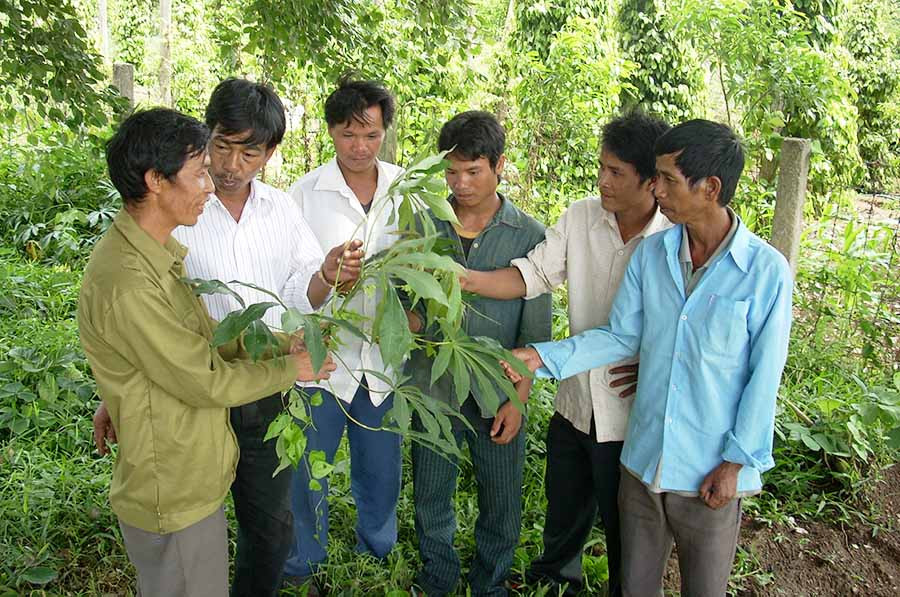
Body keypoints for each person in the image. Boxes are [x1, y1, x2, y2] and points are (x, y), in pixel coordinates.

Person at [93, 78, 364, 597]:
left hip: (257, 389)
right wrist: (121, 392)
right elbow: (147, 336)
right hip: (192, 403)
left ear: (269, 153)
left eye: (249, 152)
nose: (228, 168)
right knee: (194, 531)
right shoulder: (169, 217)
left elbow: (291, 294)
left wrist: (324, 279)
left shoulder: (278, 210)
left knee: (269, 525)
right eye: (218, 149)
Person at [510, 119, 793, 597]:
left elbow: (763, 379)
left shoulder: (765, 273)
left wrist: (735, 464)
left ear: (710, 188)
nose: (656, 190)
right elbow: (621, 336)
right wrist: (539, 356)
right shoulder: (654, 254)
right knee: (634, 586)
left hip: (709, 471)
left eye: (667, 179)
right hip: (642, 462)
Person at [461, 112, 672, 596]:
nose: (602, 181)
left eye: (616, 172)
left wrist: (658, 366)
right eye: (601, 167)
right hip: (576, 400)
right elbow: (532, 275)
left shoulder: (671, 239)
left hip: (632, 410)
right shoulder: (581, 217)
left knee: (627, 529)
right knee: (564, 511)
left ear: (651, 181)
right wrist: (467, 280)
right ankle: (554, 583)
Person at [407, 111, 552, 597]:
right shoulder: (425, 225)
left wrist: (518, 399)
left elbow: (534, 331)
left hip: (497, 388)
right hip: (432, 386)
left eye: (473, 171)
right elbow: (410, 310)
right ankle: (438, 577)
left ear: (499, 166)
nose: (461, 184)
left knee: (501, 498)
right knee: (430, 493)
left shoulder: (528, 235)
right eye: (451, 172)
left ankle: (491, 583)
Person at [283, 77, 405, 591]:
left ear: (385, 132)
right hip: (322, 361)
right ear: (331, 131)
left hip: (382, 361)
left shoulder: (406, 189)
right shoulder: (302, 195)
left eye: (371, 135)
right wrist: (326, 278)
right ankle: (302, 564)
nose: (360, 147)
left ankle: (376, 553)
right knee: (307, 471)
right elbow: (290, 282)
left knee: (381, 470)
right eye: (348, 134)